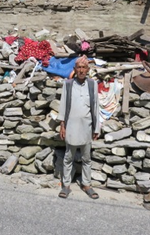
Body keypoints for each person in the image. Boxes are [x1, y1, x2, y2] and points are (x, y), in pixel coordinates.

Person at [57, 55, 101, 199]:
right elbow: (63, 105)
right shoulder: (68, 84)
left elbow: (95, 107)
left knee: (86, 158)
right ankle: (66, 185)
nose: (81, 70)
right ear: (75, 69)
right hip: (71, 126)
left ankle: (87, 184)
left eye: (84, 68)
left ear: (87, 70)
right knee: (68, 157)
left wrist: (96, 128)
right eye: (79, 68)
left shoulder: (92, 84)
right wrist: (62, 125)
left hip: (86, 126)